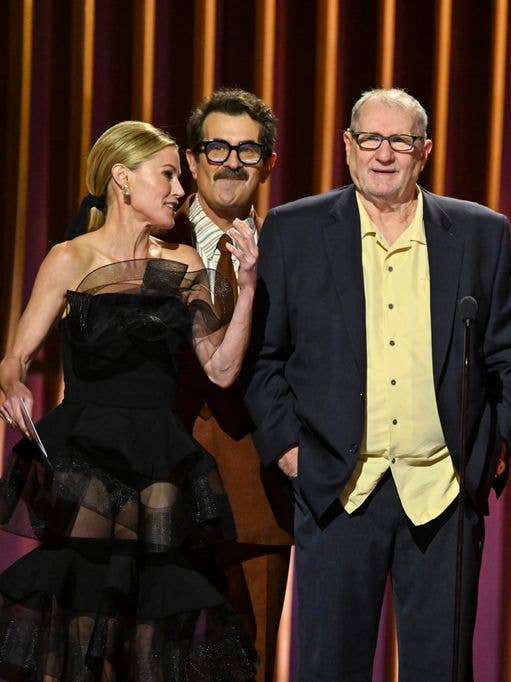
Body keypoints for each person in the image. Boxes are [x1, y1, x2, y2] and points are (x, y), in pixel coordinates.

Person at [243, 87, 511, 681]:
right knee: (329, 667)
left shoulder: (481, 234)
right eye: (370, 139)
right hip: (336, 489)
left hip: (444, 494)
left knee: (442, 669)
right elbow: (263, 358)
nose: (383, 154)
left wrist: (489, 452)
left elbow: (509, 358)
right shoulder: (294, 230)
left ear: (423, 151)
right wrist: (293, 455)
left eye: (399, 141)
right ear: (347, 147)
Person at [0, 120, 259, 679]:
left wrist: (249, 286)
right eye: (166, 174)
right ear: (123, 178)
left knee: (154, 622)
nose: (178, 190)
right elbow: (14, 356)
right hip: (88, 451)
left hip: (160, 455)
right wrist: (13, 383)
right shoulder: (71, 258)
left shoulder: (184, 264)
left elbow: (220, 368)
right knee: (86, 612)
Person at [165, 87, 291, 681]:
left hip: (257, 494)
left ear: (268, 163)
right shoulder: (144, 237)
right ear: (191, 160)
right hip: (155, 487)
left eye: (248, 149)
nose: (231, 161)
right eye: (216, 146)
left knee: (248, 661)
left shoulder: (293, 251)